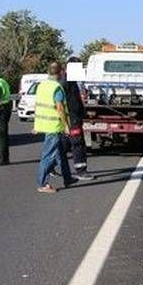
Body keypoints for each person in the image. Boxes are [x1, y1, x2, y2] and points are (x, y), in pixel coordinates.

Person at [34, 62, 73, 193]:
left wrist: (36, 125)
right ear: (61, 72)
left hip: (44, 124)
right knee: (48, 156)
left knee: (60, 153)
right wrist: (67, 125)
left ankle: (68, 178)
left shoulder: (42, 85)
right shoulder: (56, 88)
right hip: (54, 126)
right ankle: (42, 184)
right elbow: (60, 108)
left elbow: (38, 105)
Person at [61, 57, 93, 180]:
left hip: (74, 117)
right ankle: (81, 171)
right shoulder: (67, 83)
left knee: (66, 143)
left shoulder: (72, 81)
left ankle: (51, 164)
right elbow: (66, 102)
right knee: (77, 143)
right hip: (72, 118)